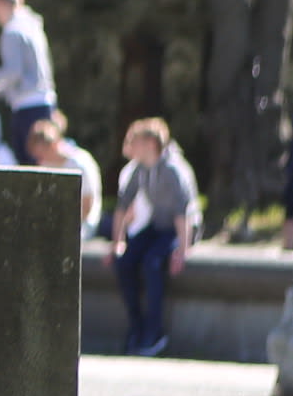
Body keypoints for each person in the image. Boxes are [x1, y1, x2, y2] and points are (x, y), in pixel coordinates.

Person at [109, 118, 199, 359]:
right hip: (158, 226)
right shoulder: (139, 170)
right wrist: (117, 242)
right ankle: (136, 327)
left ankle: (155, 332)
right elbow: (122, 206)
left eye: (135, 141)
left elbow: (182, 212)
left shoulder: (172, 170)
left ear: (150, 143)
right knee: (125, 262)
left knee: (152, 263)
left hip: (179, 229)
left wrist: (183, 249)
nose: (130, 146)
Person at [0, 0, 58, 145]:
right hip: (45, 102)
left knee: (28, 158)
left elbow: (13, 73)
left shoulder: (12, 31)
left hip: (27, 106)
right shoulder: (33, 26)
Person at [22, 112, 101, 248]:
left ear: (53, 145)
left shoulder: (80, 163)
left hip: (83, 223)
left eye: (42, 154)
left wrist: (62, 225)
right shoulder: (44, 164)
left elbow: (87, 206)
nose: (39, 160)